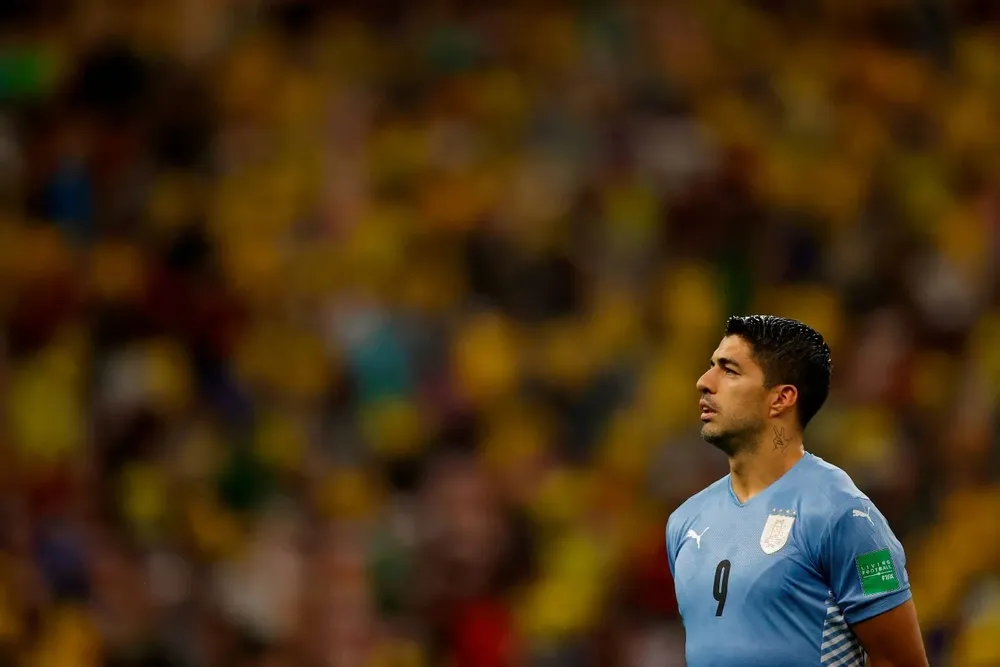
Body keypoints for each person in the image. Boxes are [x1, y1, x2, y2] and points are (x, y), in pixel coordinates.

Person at [666, 315, 928, 667]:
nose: (704, 382)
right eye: (711, 366)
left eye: (729, 370)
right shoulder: (685, 523)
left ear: (781, 399)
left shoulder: (843, 515)